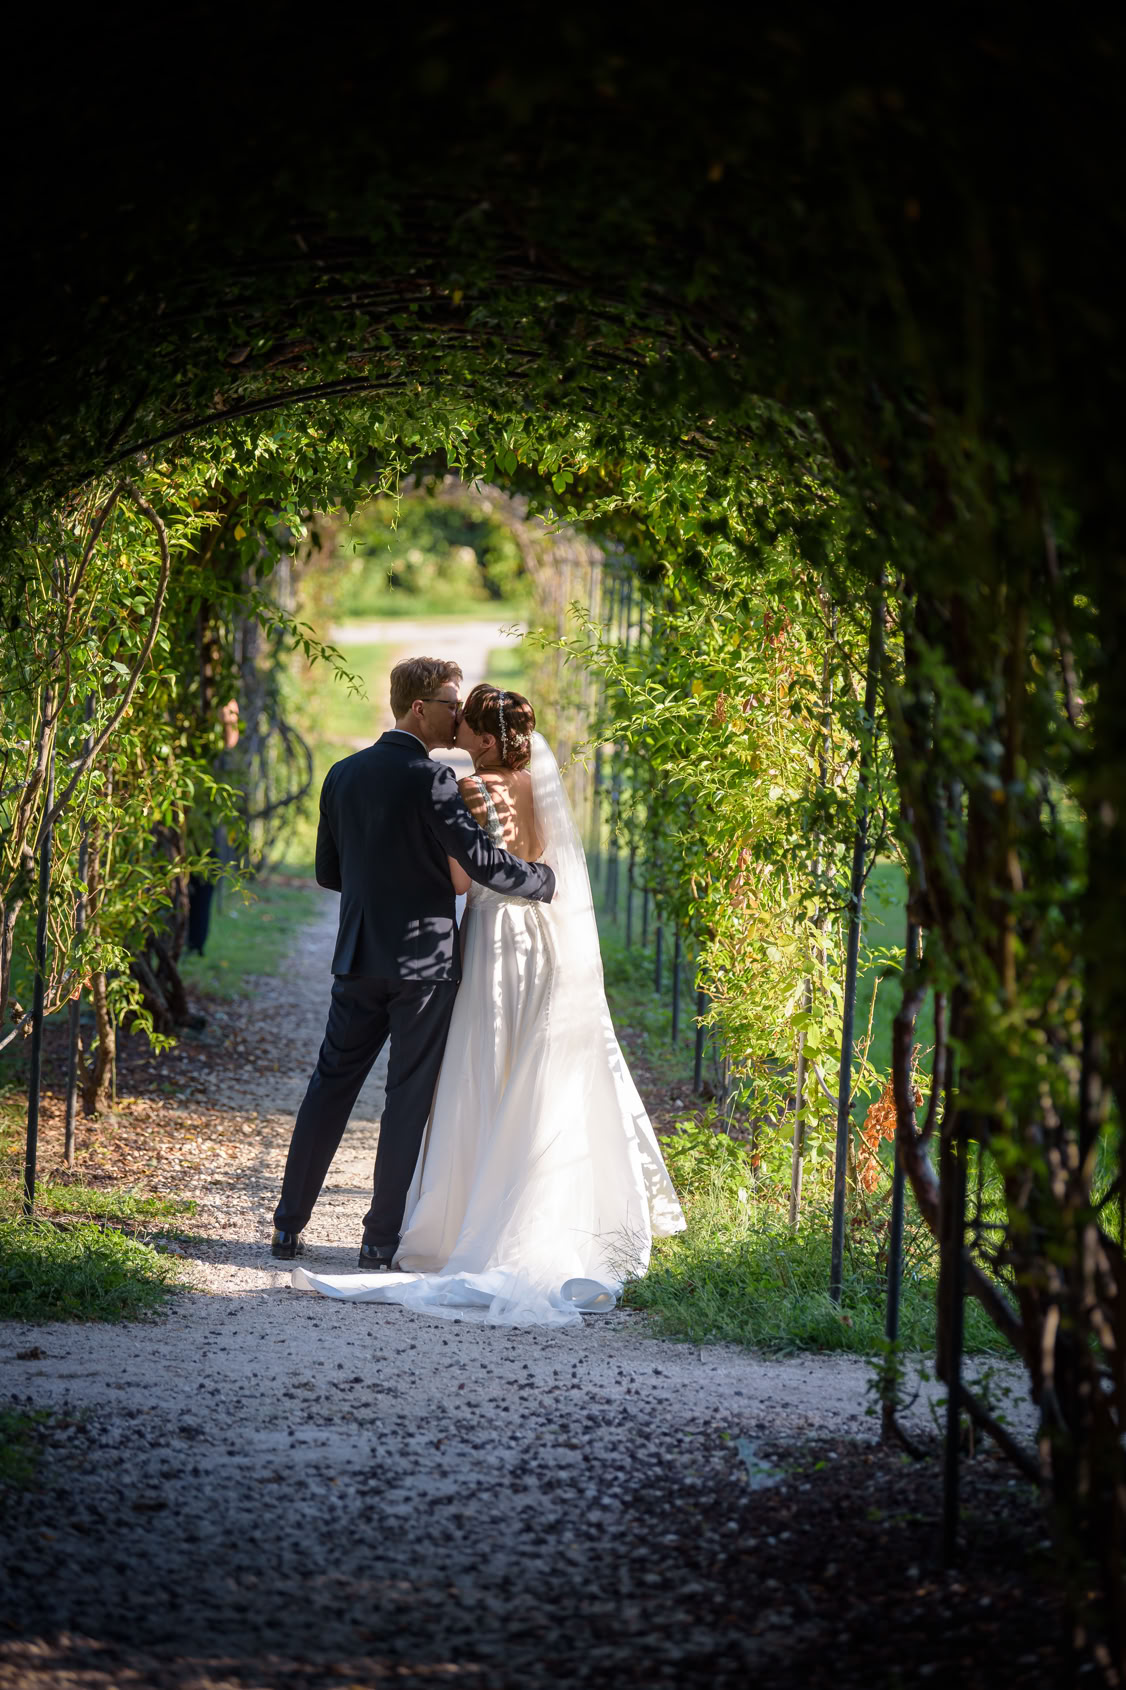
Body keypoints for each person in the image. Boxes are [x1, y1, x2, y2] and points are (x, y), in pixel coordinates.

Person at [292, 684, 685, 1326]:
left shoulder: (466, 788)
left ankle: (403, 1222)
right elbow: (544, 862)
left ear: (481, 735)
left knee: (478, 1065)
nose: (459, 736)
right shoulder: (539, 788)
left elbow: (459, 878)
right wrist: (543, 883)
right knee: (534, 1069)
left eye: (466, 726)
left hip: (490, 938)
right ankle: (528, 1210)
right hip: (543, 941)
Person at [270, 660, 556, 1263]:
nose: (459, 713)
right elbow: (480, 862)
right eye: (451, 702)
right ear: (418, 708)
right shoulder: (434, 780)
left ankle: (287, 1226)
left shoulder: (341, 774)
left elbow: (328, 872)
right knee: (405, 1099)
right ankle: (378, 1240)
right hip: (423, 968)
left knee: (330, 1088)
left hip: (358, 957)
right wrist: (544, 881)